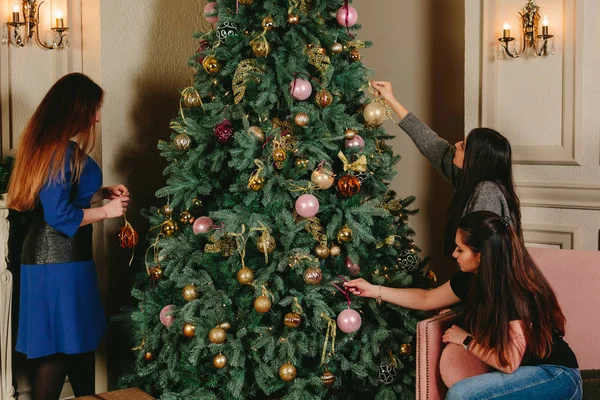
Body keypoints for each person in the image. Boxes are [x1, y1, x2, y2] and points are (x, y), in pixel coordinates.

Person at [344, 211, 581, 400]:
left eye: (461, 249)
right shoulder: (469, 281)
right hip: (524, 373)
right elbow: (426, 298)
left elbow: (508, 363)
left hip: (556, 376)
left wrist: (465, 339)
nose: (453, 254)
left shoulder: (513, 292)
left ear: (481, 255)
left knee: (462, 394)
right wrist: (374, 290)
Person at [6, 73, 130, 400]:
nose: (98, 116)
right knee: (60, 352)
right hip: (57, 266)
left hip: (66, 262)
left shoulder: (57, 149)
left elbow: (65, 197)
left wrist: (101, 193)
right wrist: (107, 212)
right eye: (93, 109)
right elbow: (59, 215)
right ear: (75, 109)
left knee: (78, 348)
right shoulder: (57, 152)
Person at [371, 81, 522, 254]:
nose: (456, 145)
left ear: (476, 160)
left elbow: (482, 255)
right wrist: (391, 99)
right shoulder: (467, 177)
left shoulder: (487, 191)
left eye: (464, 146)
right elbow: (429, 141)